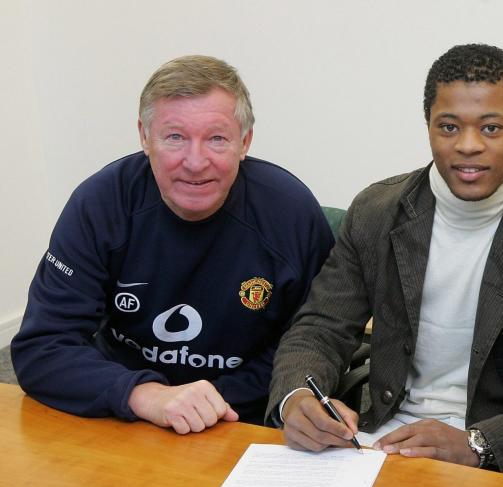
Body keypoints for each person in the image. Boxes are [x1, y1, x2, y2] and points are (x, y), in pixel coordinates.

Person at [268, 43, 503, 475]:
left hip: (500, 464)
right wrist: (297, 397)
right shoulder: (377, 212)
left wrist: (478, 444)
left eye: (490, 129)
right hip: (379, 446)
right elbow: (319, 328)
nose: (467, 146)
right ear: (428, 126)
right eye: (448, 127)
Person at [12, 55, 334, 435]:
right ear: (145, 137)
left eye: (216, 138)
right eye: (175, 137)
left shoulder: (291, 214)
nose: (195, 162)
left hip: (242, 423)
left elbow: (314, 344)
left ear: (244, 142)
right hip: (122, 411)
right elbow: (42, 347)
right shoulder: (101, 203)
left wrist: (205, 402)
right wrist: (147, 396)